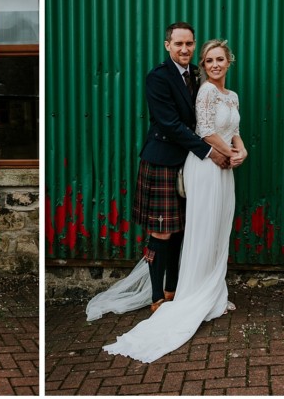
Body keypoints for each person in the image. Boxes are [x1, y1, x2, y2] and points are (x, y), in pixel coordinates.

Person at [89, 38, 248, 363]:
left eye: (220, 59)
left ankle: (215, 294)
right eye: (209, 61)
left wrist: (241, 150)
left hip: (225, 168)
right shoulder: (204, 92)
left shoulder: (231, 96)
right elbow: (204, 130)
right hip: (205, 167)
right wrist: (227, 152)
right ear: (203, 67)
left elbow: (234, 130)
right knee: (202, 229)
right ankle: (192, 295)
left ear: (229, 61)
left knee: (219, 230)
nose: (215, 65)